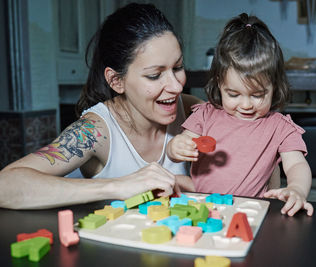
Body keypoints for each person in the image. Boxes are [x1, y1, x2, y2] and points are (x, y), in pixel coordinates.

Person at [0, 3, 201, 210]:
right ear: (116, 81)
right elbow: (5, 186)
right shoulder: (95, 131)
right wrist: (118, 186)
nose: (177, 86)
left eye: (177, 67)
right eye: (154, 75)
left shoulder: (192, 110)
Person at [167, 13, 314, 216]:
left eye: (258, 95)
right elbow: (182, 144)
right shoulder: (205, 115)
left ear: (275, 87)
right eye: (233, 94)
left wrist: (297, 188)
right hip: (201, 205)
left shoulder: (280, 127)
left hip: (249, 211)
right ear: (220, 83)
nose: (246, 105)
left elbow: (297, 164)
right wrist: (175, 147)